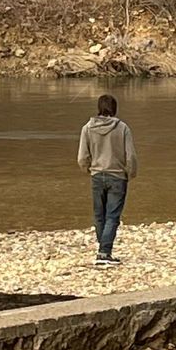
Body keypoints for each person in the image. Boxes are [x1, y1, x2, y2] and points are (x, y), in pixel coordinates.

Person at [77, 93, 137, 266]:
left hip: (96, 175)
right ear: (114, 108)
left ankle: (103, 250)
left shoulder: (87, 128)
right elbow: (130, 156)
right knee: (112, 216)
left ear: (99, 108)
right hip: (117, 176)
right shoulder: (122, 128)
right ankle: (104, 253)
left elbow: (82, 157)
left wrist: (88, 169)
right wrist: (130, 173)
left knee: (99, 216)